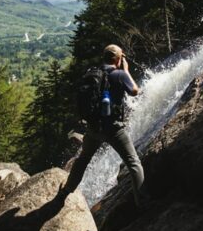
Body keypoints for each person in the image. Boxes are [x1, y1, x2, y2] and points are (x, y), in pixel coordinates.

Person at [62, 44, 146, 206]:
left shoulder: (94, 73)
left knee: (83, 160)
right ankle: (142, 203)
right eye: (121, 56)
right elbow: (135, 91)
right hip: (113, 128)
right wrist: (126, 70)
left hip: (93, 127)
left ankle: (66, 191)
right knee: (134, 163)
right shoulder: (120, 74)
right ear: (117, 58)